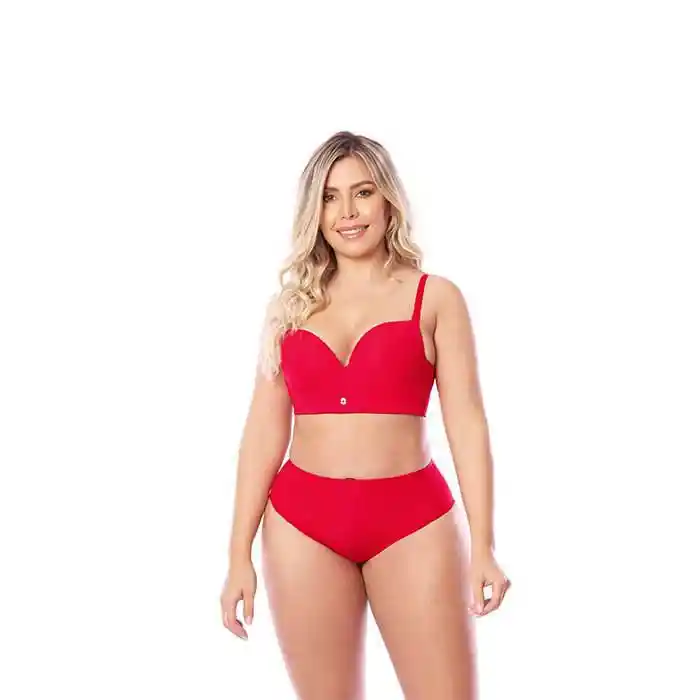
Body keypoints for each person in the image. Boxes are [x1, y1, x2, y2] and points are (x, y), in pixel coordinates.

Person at [220, 130, 511, 699]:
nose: (347, 213)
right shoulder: (290, 309)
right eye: (330, 197)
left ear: (388, 200)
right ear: (314, 211)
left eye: (363, 192)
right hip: (302, 525)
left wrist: (484, 543)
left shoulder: (435, 298)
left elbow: (467, 423)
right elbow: (263, 433)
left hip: (413, 522)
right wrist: (237, 555)